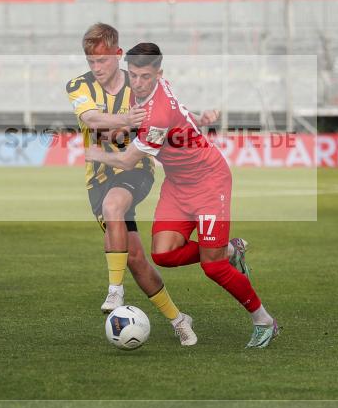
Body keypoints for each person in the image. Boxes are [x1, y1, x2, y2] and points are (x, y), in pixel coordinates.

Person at [85, 43, 278, 349]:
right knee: (163, 254)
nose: (138, 82)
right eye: (133, 75)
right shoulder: (150, 89)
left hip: (209, 182)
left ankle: (263, 320)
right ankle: (229, 250)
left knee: (212, 267)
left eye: (145, 76)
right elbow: (182, 110)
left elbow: (126, 160)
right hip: (177, 184)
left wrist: (95, 152)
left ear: (158, 74)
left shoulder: (157, 114)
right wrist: (199, 119)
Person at [67, 23, 197, 346]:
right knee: (137, 258)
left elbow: (161, 116)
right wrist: (125, 122)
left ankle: (114, 291)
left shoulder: (139, 84)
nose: (97, 69)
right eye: (91, 62)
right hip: (98, 177)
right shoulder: (77, 85)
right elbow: (91, 119)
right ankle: (179, 320)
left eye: (103, 61)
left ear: (119, 55)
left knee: (115, 205)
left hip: (136, 168)